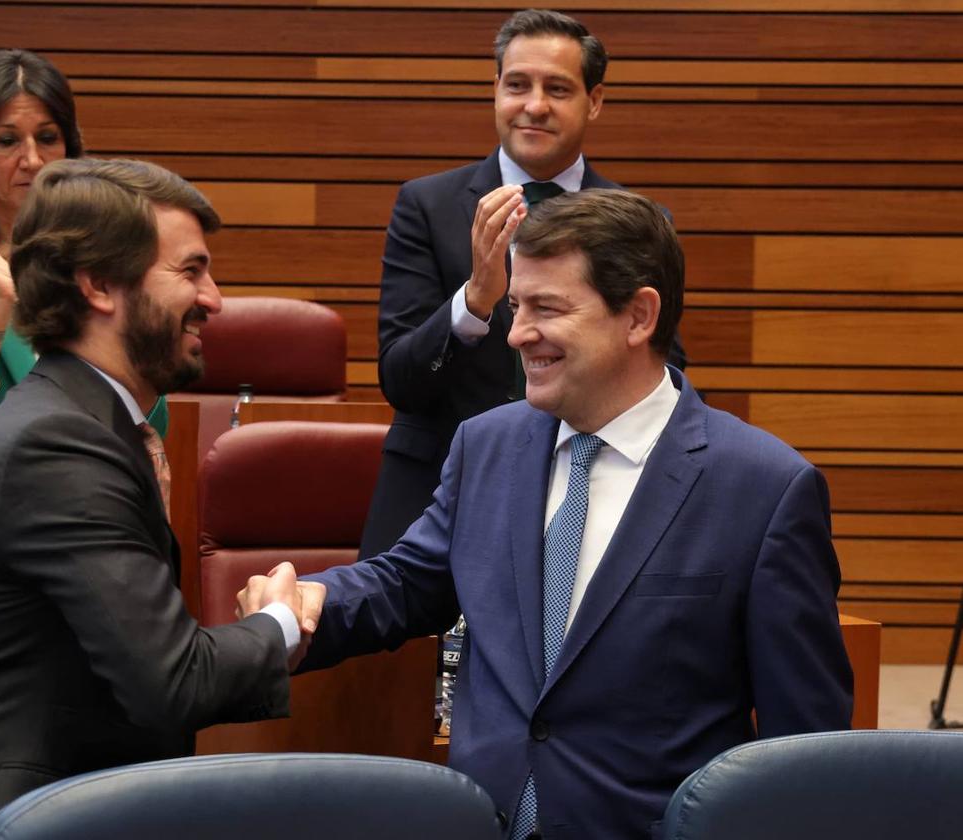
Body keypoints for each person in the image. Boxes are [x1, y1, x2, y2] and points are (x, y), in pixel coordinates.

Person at [260, 189, 853, 840]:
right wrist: (310, 604)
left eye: (547, 308)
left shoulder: (764, 488)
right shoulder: (485, 444)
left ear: (639, 316)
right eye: (516, 307)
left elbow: (806, 753)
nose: (515, 334)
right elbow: (406, 582)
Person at [0, 158, 303, 840]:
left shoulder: (82, 419)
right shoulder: (58, 441)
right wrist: (279, 623)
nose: (214, 298)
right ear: (99, 284)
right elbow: (172, 682)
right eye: (190, 271)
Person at [359, 9, 686, 558]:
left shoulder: (639, 221)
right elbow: (401, 380)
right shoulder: (427, 205)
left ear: (595, 100)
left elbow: (663, 369)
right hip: (438, 490)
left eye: (557, 88)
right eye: (517, 85)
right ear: (495, 91)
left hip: (588, 487)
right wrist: (474, 302)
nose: (534, 106)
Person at [0, 49, 170, 640]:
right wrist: (0, 307)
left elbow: (147, 414)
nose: (32, 160)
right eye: (6, 141)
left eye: (48, 137)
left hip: (93, 534)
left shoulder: (104, 259)